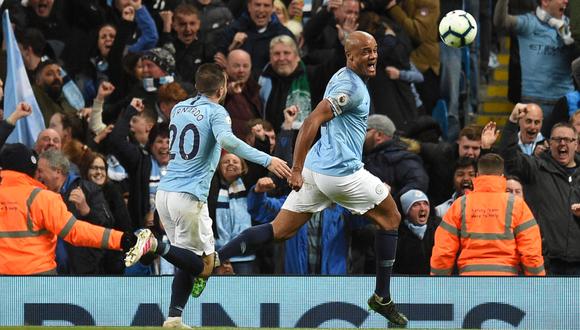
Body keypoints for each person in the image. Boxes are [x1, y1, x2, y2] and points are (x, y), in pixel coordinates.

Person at [216, 31, 408, 326]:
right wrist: (295, 169)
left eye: (374, 50)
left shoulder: (342, 77)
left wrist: (303, 169)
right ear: (350, 56)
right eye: (365, 52)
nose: (372, 56)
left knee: (280, 230)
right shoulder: (351, 89)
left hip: (318, 172)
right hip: (341, 173)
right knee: (391, 219)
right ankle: (382, 296)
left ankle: (214, 259)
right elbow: (311, 121)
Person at [123, 63, 291, 328]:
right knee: (204, 266)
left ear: (198, 86)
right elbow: (228, 141)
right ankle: (155, 244)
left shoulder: (179, 108)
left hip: (166, 194)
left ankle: (174, 317)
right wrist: (267, 159)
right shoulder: (217, 112)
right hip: (189, 197)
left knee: (188, 260)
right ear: (222, 89)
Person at [0, 143, 138, 275]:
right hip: (38, 280)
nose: (39, 174)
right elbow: (75, 231)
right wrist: (120, 239)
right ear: (30, 169)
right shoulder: (42, 198)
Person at [495, 103, 580, 275]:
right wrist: (512, 122)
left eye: (568, 140)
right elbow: (508, 157)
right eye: (557, 139)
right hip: (546, 263)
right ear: (549, 142)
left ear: (576, 144)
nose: (562, 143)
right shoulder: (536, 168)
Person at [430, 153, 546, 276]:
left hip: (470, 282)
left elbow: (443, 252)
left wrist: (439, 284)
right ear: (502, 176)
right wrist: (536, 285)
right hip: (507, 283)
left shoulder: (461, 204)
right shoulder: (517, 205)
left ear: (477, 175)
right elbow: (531, 253)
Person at [393, 189, 440, 275]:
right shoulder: (397, 234)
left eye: (425, 204)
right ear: (406, 210)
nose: (422, 208)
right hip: (406, 284)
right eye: (416, 205)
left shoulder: (439, 228)